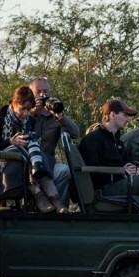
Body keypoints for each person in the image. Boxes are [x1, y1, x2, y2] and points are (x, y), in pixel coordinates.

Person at [78, 99, 139, 214]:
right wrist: (122, 173)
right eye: (125, 115)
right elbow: (92, 173)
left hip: (120, 182)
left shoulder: (117, 141)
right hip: (104, 189)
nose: (128, 119)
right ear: (112, 115)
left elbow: (126, 163)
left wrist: (136, 170)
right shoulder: (93, 139)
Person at [0, 85, 62, 212]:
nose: (26, 113)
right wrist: (10, 142)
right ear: (13, 103)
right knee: (28, 152)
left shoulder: (29, 121)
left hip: (26, 164)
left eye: (29, 109)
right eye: (22, 109)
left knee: (37, 152)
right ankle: (39, 192)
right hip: (3, 166)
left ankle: (52, 198)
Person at [28, 76, 80, 206]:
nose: (42, 95)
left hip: (48, 164)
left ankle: (59, 210)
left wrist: (60, 115)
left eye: (45, 91)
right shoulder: (24, 113)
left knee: (64, 170)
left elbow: (75, 133)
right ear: (30, 94)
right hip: (26, 164)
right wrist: (33, 113)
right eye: (38, 92)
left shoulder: (53, 117)